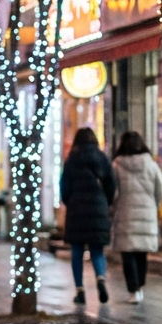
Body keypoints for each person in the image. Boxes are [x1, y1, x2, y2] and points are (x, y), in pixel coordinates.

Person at [60, 128, 117, 305]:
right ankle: (100, 278)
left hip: (77, 209)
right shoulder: (102, 157)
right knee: (96, 250)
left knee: (77, 252)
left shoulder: (72, 159)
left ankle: (80, 291)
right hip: (98, 208)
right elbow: (111, 184)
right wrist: (104, 202)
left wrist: (70, 202)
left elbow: (64, 187)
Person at [111, 131, 162, 304]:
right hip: (147, 214)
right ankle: (140, 286)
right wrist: (152, 207)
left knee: (128, 254)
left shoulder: (117, 165)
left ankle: (133, 289)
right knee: (142, 254)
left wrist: (115, 206)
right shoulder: (151, 164)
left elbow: (114, 193)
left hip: (125, 214)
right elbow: (160, 191)